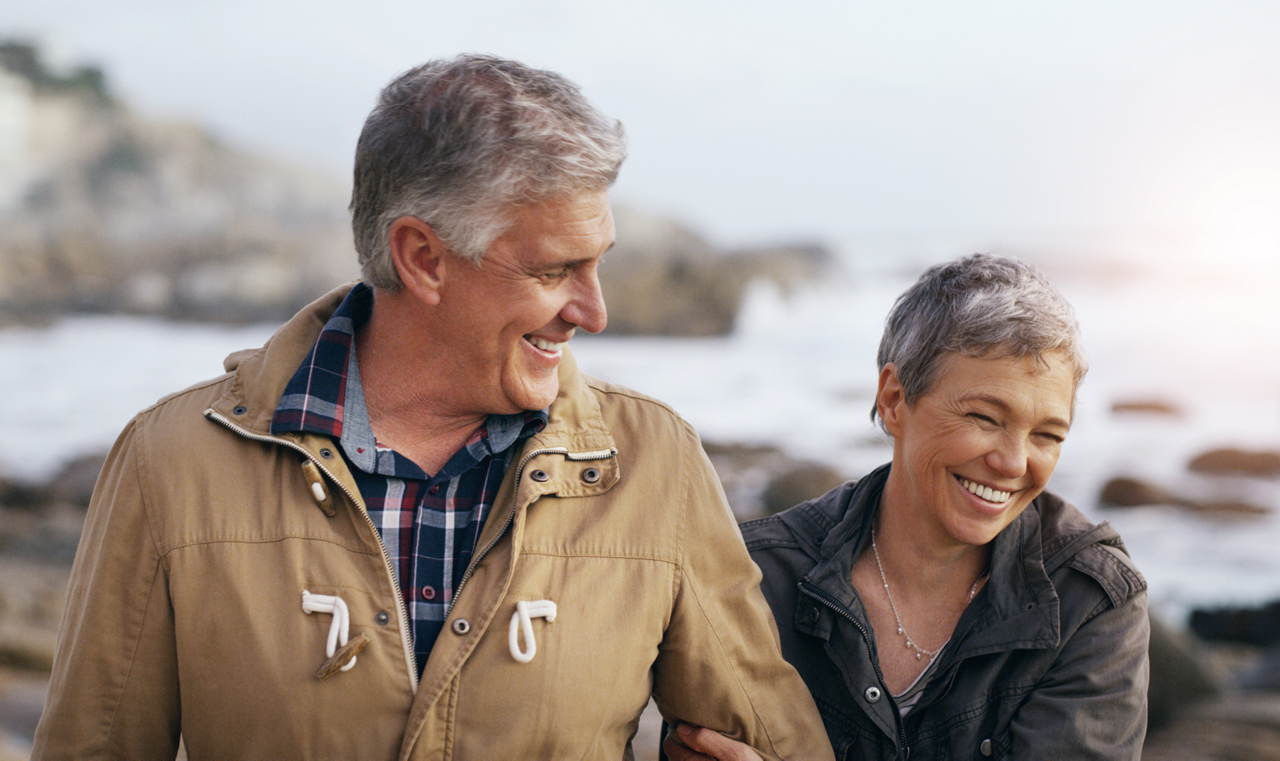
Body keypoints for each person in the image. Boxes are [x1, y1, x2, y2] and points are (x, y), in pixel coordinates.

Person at [33, 55, 833, 760]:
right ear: (423, 257)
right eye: (557, 270)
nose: (593, 310)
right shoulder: (170, 460)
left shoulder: (655, 461)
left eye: (600, 266)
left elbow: (773, 742)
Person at [665, 254, 1149, 760]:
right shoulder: (756, 580)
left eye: (1047, 435)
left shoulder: (1087, 602)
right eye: (985, 417)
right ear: (895, 399)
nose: (1012, 463)